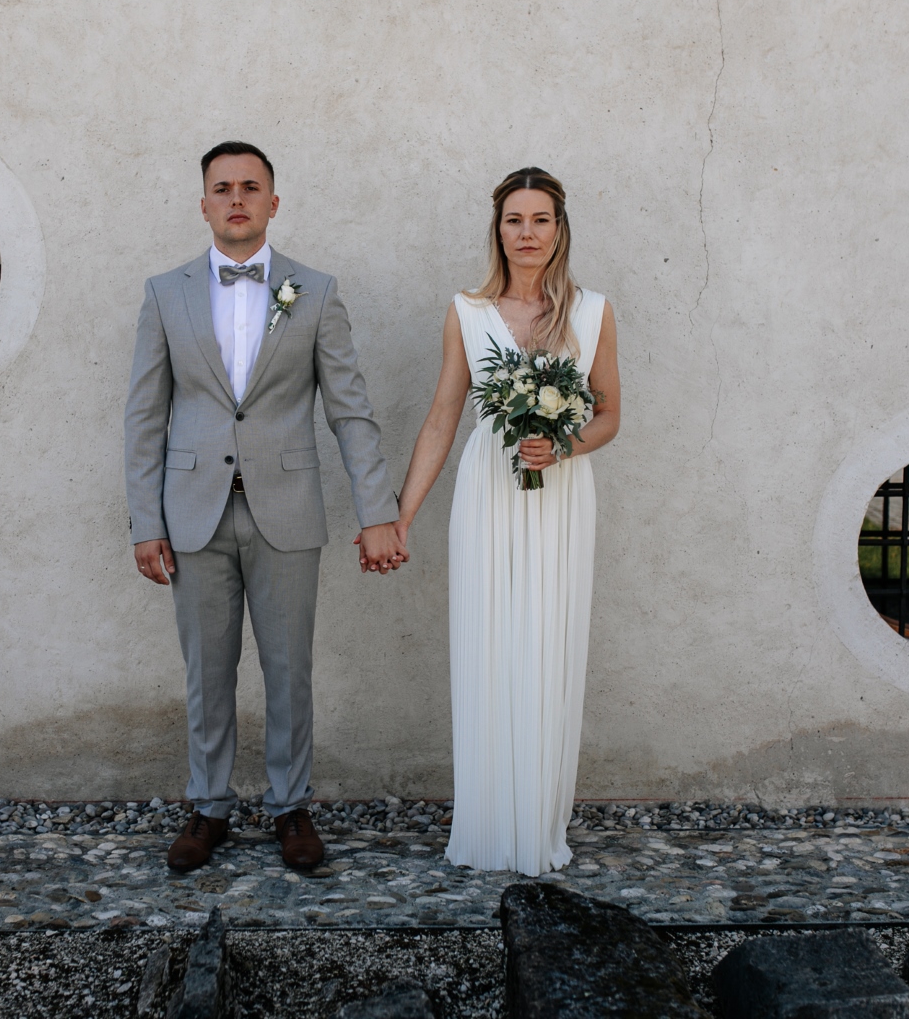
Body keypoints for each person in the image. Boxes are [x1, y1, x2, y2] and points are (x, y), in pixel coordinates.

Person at [124, 141, 408, 874]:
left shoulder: (315, 291)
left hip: (287, 509)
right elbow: (145, 416)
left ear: (273, 203)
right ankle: (208, 806)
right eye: (223, 188)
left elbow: (350, 411)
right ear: (204, 204)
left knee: (289, 670)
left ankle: (290, 807)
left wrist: (378, 510)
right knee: (206, 672)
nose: (237, 198)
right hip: (193, 513)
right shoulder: (165, 293)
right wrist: (145, 521)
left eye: (250, 187)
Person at [387, 167, 621, 875]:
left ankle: (538, 823)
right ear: (498, 229)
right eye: (514, 220)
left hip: (561, 496)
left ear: (560, 228)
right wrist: (402, 518)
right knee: (489, 644)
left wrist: (565, 445)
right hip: (488, 491)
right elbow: (442, 417)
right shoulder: (468, 311)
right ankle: (489, 825)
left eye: (540, 219)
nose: (527, 233)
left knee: (548, 644)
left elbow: (610, 413)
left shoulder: (594, 312)